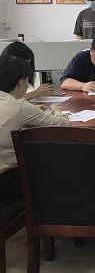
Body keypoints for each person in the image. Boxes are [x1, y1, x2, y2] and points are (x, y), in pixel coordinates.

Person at [0, 56, 70, 198]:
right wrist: (57, 111)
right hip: (8, 181)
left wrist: (33, 112)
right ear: (21, 81)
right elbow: (62, 126)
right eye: (27, 80)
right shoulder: (19, 107)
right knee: (59, 161)